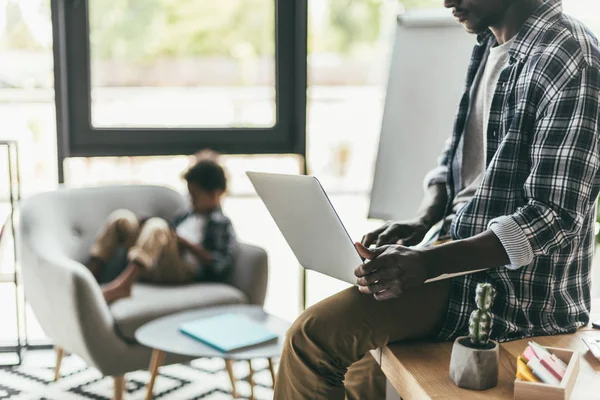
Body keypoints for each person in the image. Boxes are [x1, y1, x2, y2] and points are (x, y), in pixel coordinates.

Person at [274, 0, 600, 398]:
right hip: (455, 253)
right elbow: (459, 157)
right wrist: (422, 221)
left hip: (517, 290)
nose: (446, 1)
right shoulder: (489, 42)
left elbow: (553, 215)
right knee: (362, 364)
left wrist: (427, 263)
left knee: (311, 338)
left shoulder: (571, 59)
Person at [86, 156, 237, 304]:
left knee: (158, 226)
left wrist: (186, 244)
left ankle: (125, 284)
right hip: (155, 260)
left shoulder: (221, 224)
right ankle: (90, 277)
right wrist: (144, 226)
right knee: (123, 219)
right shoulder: (186, 216)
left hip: (182, 272)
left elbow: (220, 265)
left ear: (214, 195)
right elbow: (167, 235)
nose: (191, 200)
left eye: (195, 196)